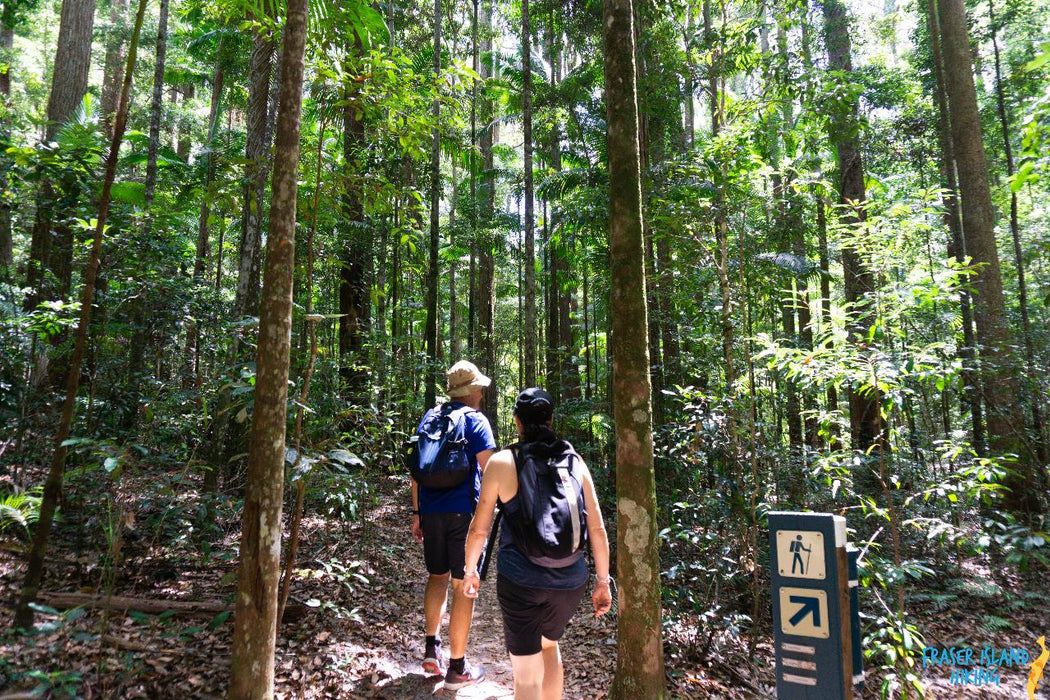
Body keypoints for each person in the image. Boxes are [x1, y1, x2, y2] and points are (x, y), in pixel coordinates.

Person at [462, 388, 612, 700]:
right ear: (551, 420)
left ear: (517, 421)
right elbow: (597, 527)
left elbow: (479, 529)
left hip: (521, 581)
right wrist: (602, 582)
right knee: (550, 645)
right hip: (570, 581)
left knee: (526, 679)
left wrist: (470, 570)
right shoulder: (575, 461)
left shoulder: (503, 462)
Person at [410, 360, 496, 689]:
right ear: (473, 391)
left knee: (437, 576)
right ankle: (457, 668)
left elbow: (416, 469)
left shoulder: (430, 417)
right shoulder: (476, 421)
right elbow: (490, 471)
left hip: (430, 511)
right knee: (463, 586)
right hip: (462, 513)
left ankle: (432, 648)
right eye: (480, 389)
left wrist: (417, 514)